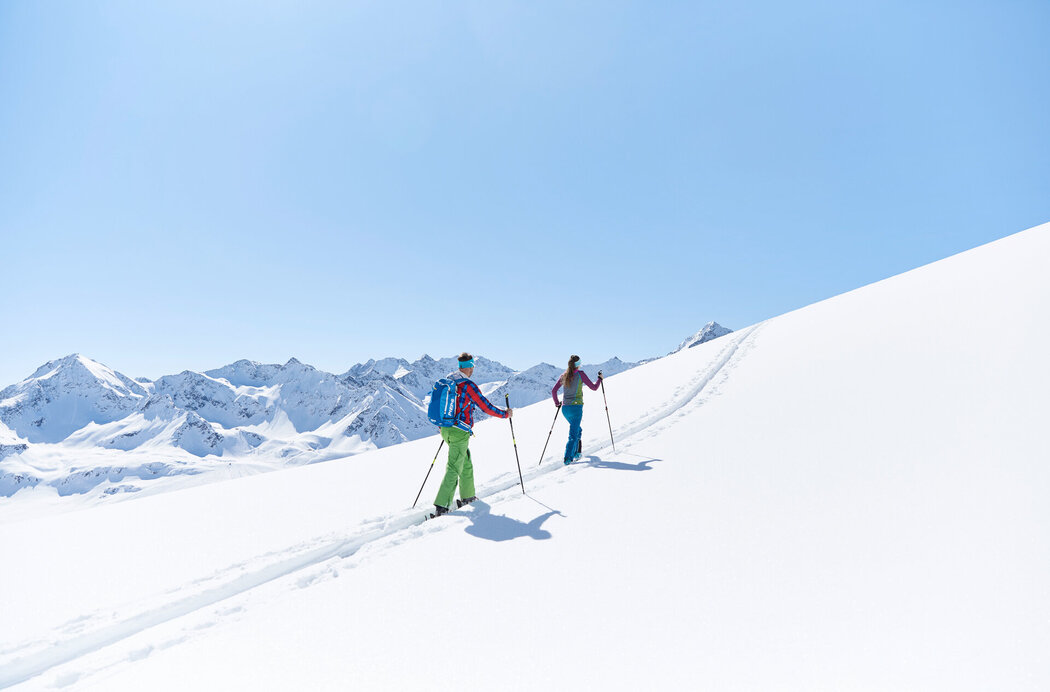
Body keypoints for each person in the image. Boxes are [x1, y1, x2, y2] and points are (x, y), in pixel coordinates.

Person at [433, 352, 512, 516]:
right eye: (473, 366)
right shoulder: (468, 386)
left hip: (445, 428)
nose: (473, 369)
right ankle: (442, 506)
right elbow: (485, 407)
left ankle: (468, 496)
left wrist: (443, 425)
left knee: (465, 462)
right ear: (469, 366)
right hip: (459, 431)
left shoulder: (449, 380)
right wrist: (505, 414)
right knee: (454, 466)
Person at [551, 355, 602, 465]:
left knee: (578, 430)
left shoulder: (563, 376)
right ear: (578, 365)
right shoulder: (580, 374)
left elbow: (554, 391)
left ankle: (577, 453)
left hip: (565, 409)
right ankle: (568, 458)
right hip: (576, 408)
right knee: (573, 435)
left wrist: (557, 403)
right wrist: (599, 379)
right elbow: (594, 388)